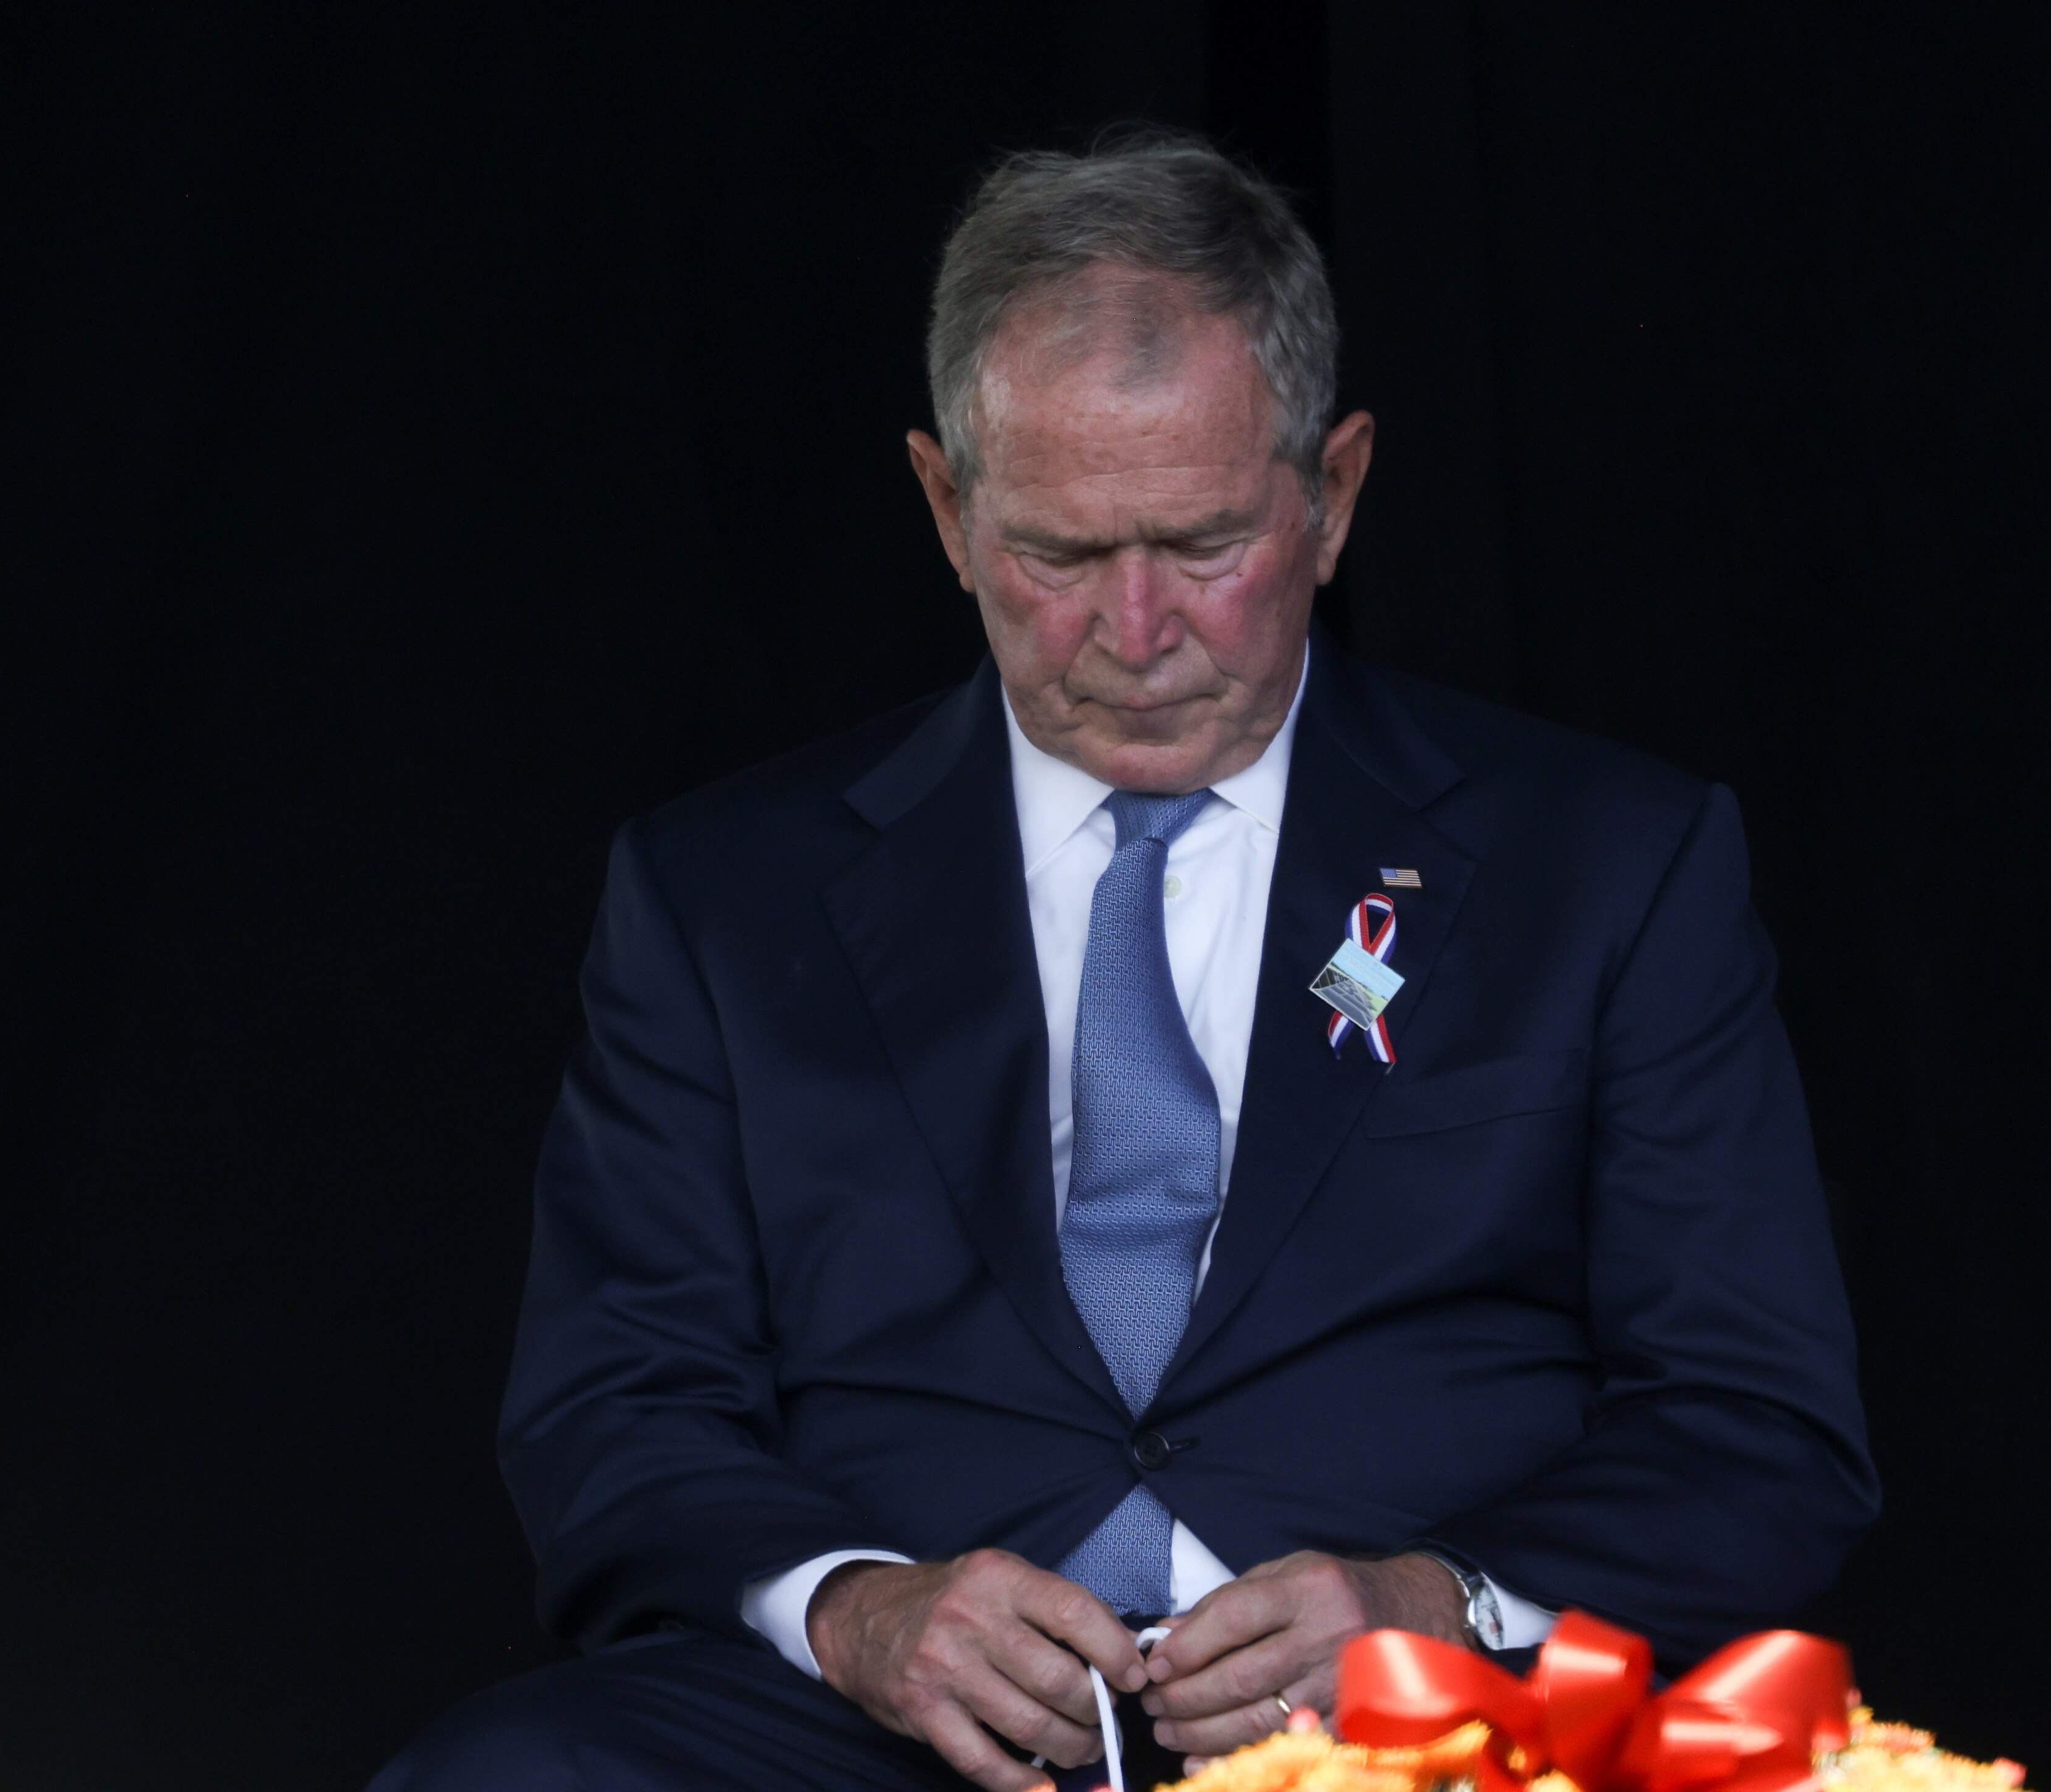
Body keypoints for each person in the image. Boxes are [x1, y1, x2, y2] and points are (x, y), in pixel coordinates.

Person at [372, 134, 1877, 1792]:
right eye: (1062, 555)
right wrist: (858, 1612)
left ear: (1333, 494)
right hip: (893, 1729)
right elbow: (612, 1406)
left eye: (1204, 543)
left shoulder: (1609, 865)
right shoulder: (720, 896)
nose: (1139, 632)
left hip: (1423, 1720)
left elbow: (1757, 1425)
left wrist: (1428, 1608)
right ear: (947, 508)